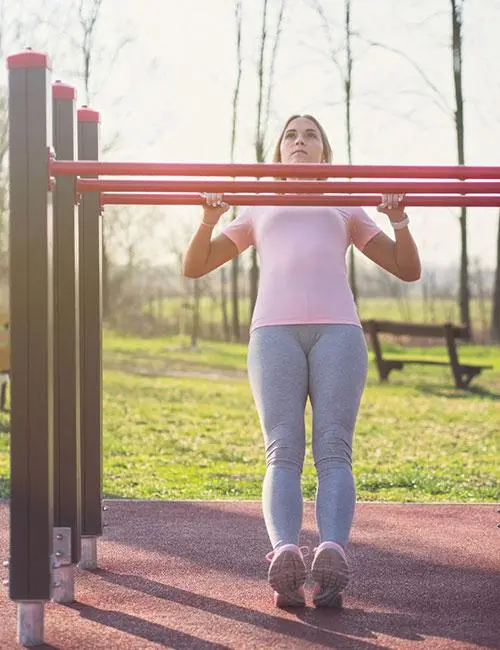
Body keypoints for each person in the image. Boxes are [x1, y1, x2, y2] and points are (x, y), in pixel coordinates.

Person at [182, 114, 421, 609]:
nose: (299, 141)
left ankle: (331, 554)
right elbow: (196, 266)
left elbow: (407, 269)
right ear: (278, 154)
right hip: (274, 334)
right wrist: (208, 218)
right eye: (291, 134)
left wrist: (399, 219)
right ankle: (285, 556)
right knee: (282, 451)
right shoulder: (258, 204)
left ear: (325, 154)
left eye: (310, 135)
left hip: (338, 332)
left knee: (334, 449)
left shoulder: (345, 203)